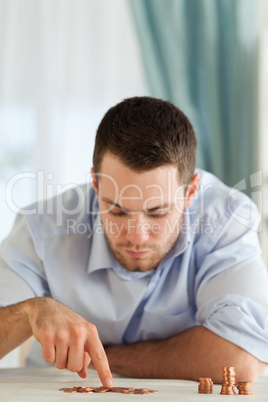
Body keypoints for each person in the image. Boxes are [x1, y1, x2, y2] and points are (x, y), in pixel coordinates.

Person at [0, 97, 267, 387]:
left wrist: (101, 357)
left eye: (157, 212)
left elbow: (241, 357)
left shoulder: (226, 219)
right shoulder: (43, 228)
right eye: (117, 210)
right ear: (95, 184)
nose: (136, 237)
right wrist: (28, 312)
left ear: (190, 192)